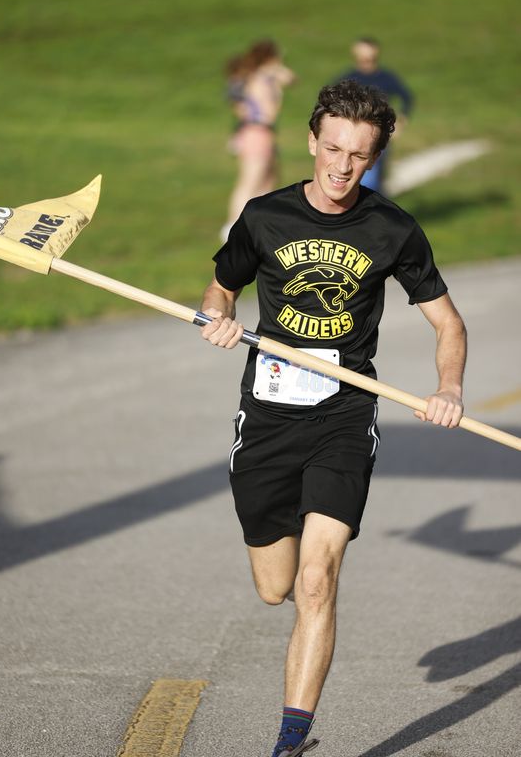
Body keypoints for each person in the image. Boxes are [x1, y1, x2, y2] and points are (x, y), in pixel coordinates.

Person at [199, 80, 466, 756]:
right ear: (312, 141)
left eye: (360, 154)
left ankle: (289, 741)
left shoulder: (391, 228)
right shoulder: (264, 216)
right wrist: (221, 319)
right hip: (266, 415)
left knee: (318, 580)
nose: (344, 165)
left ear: (373, 156)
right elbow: (220, 287)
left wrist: (449, 387)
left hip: (343, 415)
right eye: (335, 148)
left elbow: (446, 321)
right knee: (275, 588)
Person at [221, 40, 296, 242]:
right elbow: (268, 113)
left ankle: (259, 226)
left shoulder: (257, 76)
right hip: (257, 132)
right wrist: (276, 82)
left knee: (269, 181)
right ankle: (232, 228)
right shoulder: (260, 79)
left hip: (261, 134)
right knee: (250, 181)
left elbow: (291, 79)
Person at [332, 37, 413, 194]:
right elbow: (329, 99)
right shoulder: (348, 78)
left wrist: (401, 122)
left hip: (378, 134)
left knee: (373, 179)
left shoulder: (385, 77)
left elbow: (406, 97)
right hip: (351, 136)